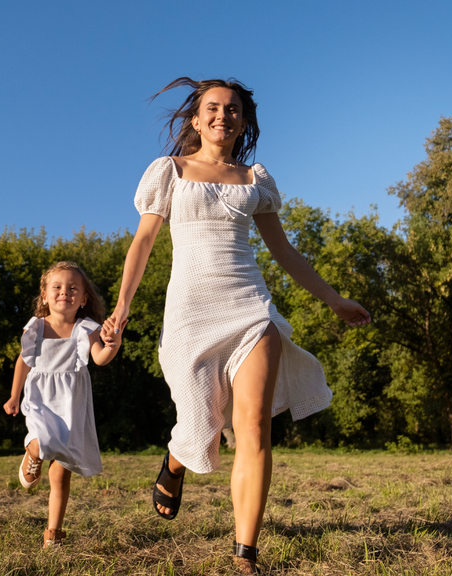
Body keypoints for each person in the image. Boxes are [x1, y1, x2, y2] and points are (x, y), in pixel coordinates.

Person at [103, 78, 370, 574]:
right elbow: (142, 244)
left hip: (250, 308)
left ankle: (245, 553)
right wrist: (121, 308)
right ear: (195, 119)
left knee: (252, 427)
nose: (223, 115)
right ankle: (177, 460)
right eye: (213, 108)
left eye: (232, 109)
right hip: (189, 311)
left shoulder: (255, 179)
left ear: (243, 122)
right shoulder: (171, 172)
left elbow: (284, 252)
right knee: (201, 425)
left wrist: (334, 299)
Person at [4, 261, 123, 548]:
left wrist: (113, 344)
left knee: (60, 472)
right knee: (42, 435)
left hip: (71, 402)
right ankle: (33, 450)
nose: (64, 292)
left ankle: (52, 534)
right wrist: (14, 395)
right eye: (56, 287)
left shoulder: (87, 328)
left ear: (83, 299)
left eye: (73, 288)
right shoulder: (36, 326)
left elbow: (99, 359)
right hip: (41, 397)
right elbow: (24, 360)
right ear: (44, 295)